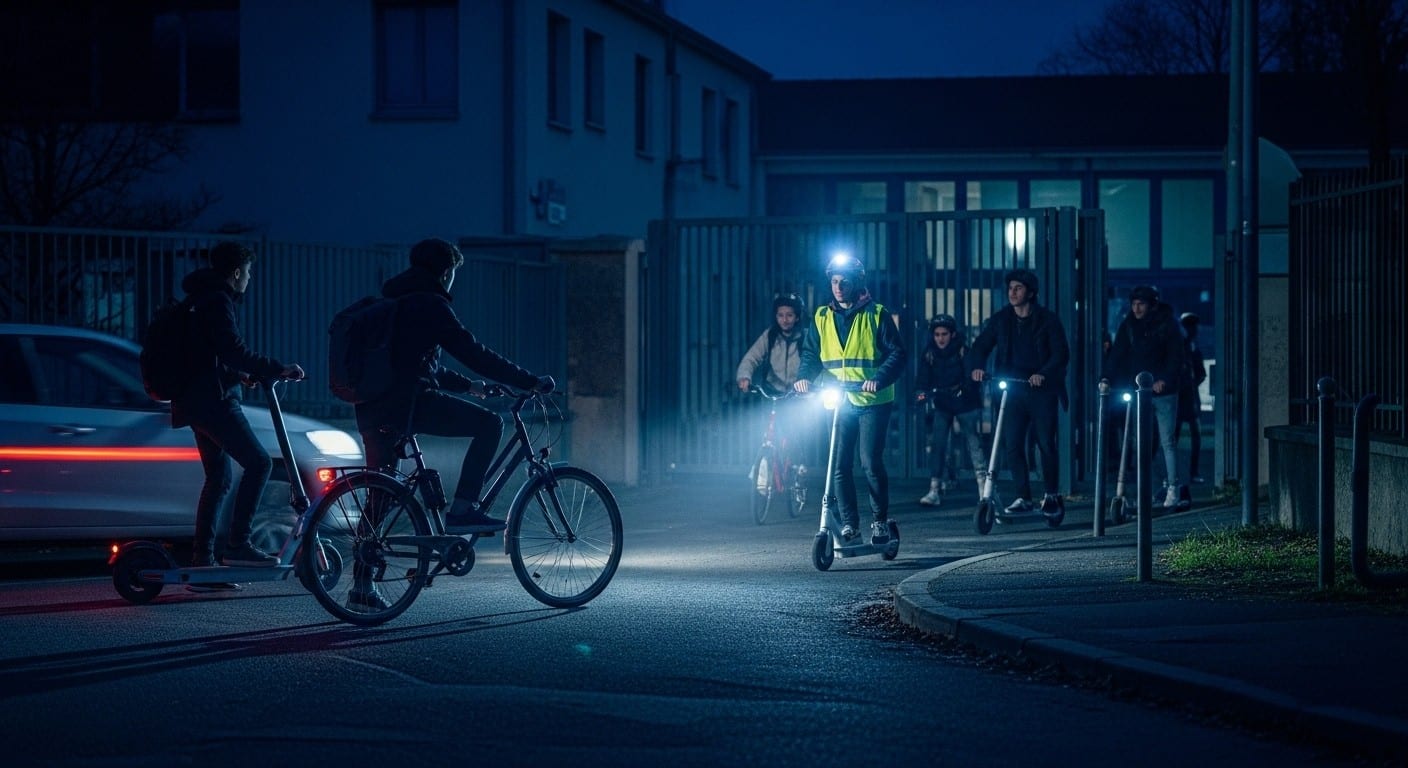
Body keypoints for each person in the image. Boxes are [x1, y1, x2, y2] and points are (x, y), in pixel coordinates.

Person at [355, 238, 556, 541]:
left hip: (371, 406)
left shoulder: (393, 303)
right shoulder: (431, 304)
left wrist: (469, 386)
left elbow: (419, 366)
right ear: (447, 271)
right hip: (409, 404)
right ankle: (463, 510)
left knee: (381, 494)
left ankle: (361, 579)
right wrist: (529, 381)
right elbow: (473, 353)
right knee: (490, 423)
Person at [171, 242, 305, 591]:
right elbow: (233, 349)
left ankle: (203, 564)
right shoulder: (218, 300)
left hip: (196, 401)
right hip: (214, 402)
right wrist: (278, 368)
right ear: (236, 272)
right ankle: (238, 545)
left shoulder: (197, 299)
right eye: (248, 272)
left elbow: (205, 357)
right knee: (259, 463)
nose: (249, 278)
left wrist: (238, 376)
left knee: (219, 479)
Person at [793, 252, 906, 545]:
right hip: (841, 400)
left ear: (857, 282)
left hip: (873, 401)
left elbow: (898, 353)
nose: (839, 286)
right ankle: (849, 526)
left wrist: (877, 379)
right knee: (839, 465)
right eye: (834, 281)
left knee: (869, 461)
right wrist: (803, 377)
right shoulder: (821, 316)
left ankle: (879, 522)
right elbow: (810, 354)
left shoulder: (877, 314)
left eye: (844, 281)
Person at [968, 268, 1070, 513]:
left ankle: (1052, 495)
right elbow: (981, 344)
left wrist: (1043, 374)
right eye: (1010, 288)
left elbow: (1060, 354)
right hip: (1011, 390)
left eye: (1018, 288)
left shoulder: (1048, 320)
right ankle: (1023, 497)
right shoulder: (1002, 319)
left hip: (1040, 389)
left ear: (1031, 293)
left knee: (1045, 442)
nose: (1012, 293)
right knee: (1012, 443)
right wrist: (977, 367)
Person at [1102, 285, 1186, 509]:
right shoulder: (1128, 326)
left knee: (1167, 441)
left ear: (1152, 305)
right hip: (1140, 391)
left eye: (1141, 304)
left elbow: (1176, 356)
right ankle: (1147, 489)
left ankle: (1173, 487)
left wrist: (1163, 380)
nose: (1136, 308)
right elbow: (1117, 354)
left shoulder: (1167, 325)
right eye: (1134, 304)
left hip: (1163, 392)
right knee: (1140, 443)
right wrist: (1107, 378)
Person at [914, 314, 985, 506]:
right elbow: (922, 378)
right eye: (937, 334)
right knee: (938, 444)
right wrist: (921, 393)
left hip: (964, 402)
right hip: (943, 402)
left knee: (973, 443)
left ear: (952, 334)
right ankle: (934, 489)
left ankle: (984, 488)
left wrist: (965, 390)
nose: (940, 338)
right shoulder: (929, 353)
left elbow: (971, 377)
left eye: (944, 334)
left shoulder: (963, 350)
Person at [736, 292, 805, 395]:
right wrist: (744, 376)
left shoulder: (806, 337)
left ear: (797, 317)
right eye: (780, 315)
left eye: (789, 315)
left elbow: (815, 361)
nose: (784, 320)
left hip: (799, 395)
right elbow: (752, 357)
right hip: (772, 393)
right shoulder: (770, 335)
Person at [1175, 311, 1208, 484]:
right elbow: (1201, 373)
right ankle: (1185, 473)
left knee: (1181, 437)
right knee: (1179, 437)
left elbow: (1201, 373)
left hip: (1187, 397)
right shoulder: (1187, 347)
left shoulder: (1190, 347)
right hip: (1185, 397)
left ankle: (1183, 473)